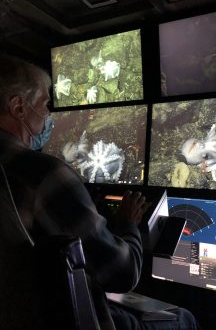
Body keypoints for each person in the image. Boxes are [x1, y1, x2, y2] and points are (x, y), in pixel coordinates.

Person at [0, 58, 199, 330]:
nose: (48, 115)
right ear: (19, 107)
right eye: (46, 105)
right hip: (61, 317)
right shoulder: (44, 175)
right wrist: (129, 224)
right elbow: (122, 274)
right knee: (183, 318)